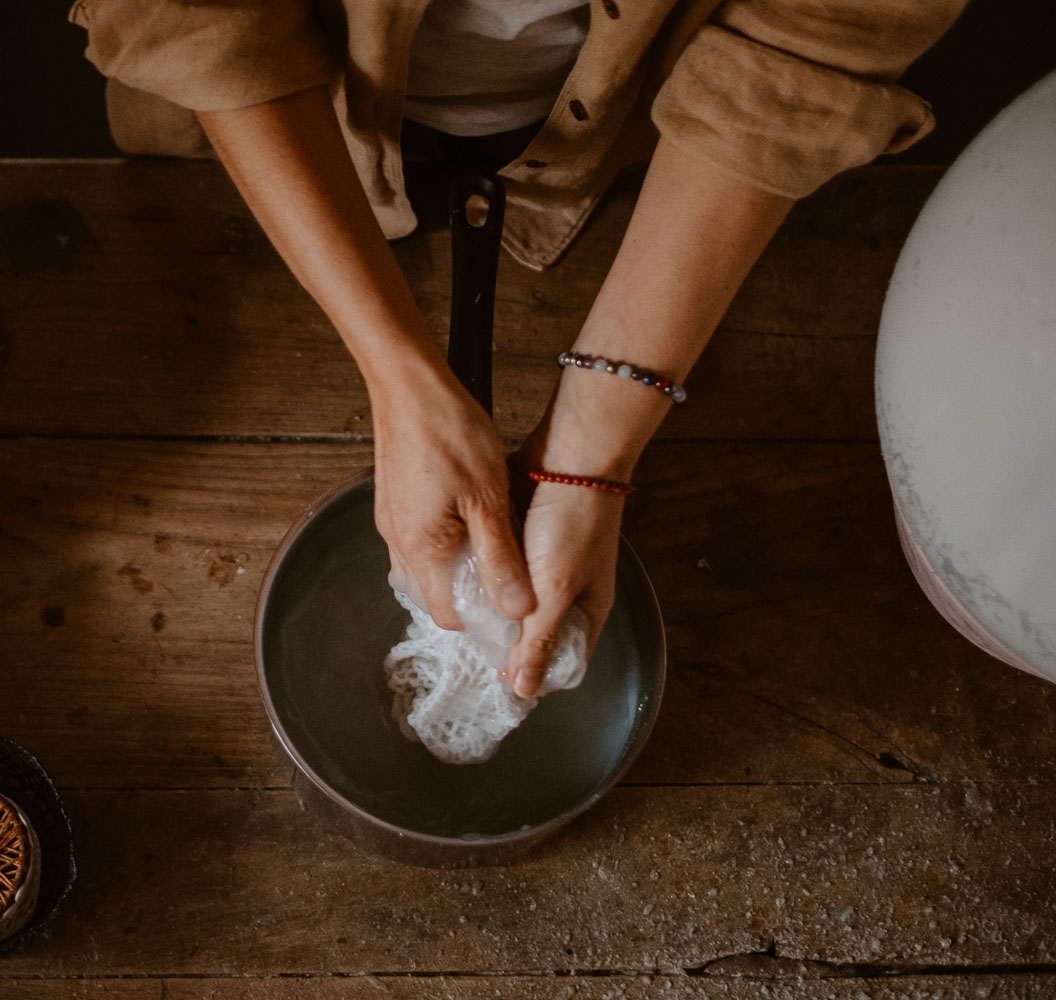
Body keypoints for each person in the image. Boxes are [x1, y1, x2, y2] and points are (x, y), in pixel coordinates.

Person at [68, 0, 966, 696]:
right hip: (282, 125)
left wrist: (593, 449)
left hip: (636, 143)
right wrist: (398, 376)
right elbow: (195, 16)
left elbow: (817, 38)